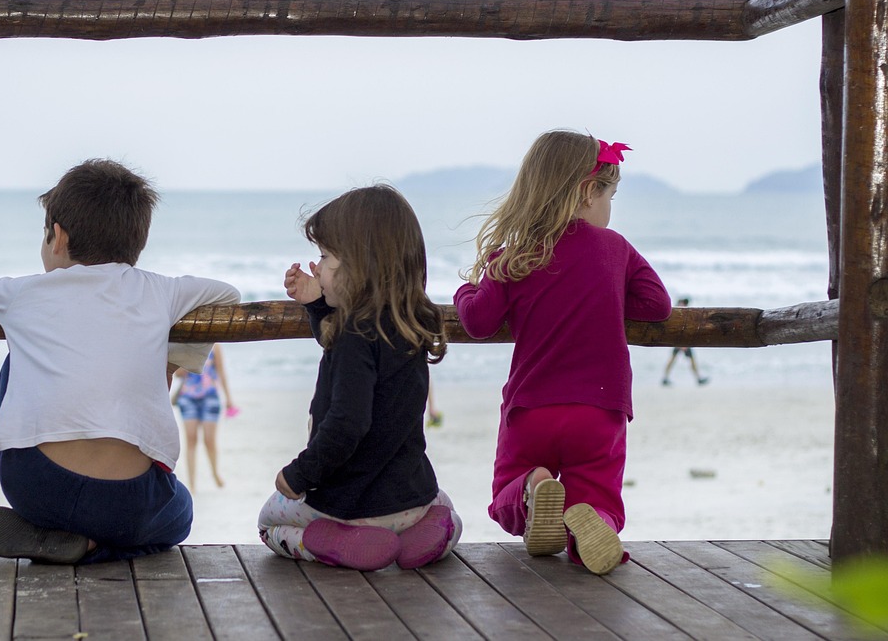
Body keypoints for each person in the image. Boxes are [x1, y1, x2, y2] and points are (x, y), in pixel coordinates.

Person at [0, 159, 241, 564]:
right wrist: (168, 365)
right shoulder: (162, 292)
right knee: (180, 514)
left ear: (57, 237)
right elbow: (227, 295)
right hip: (129, 503)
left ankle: (66, 538)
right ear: (137, 242)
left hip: (38, 487)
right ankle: (98, 549)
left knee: (17, 361)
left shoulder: (20, 293)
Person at [455, 131, 671, 575]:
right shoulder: (616, 249)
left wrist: (466, 289)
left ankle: (533, 489)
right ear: (588, 191)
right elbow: (657, 305)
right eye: (610, 195)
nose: (610, 207)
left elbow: (477, 321)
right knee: (599, 496)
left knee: (504, 494)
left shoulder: (513, 257)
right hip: (600, 410)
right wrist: (606, 296)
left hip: (532, 409)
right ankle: (593, 526)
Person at [258, 185, 462, 572]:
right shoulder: (410, 323)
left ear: (359, 267)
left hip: (344, 506)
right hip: (411, 501)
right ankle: (426, 536)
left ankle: (330, 540)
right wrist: (318, 302)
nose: (316, 267)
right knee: (445, 506)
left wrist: (300, 474)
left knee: (269, 522)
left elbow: (347, 423)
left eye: (325, 257)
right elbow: (336, 340)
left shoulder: (354, 335)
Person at [171, 344, 235, 491]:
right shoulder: (185, 345)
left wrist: (228, 398)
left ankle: (215, 472)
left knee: (209, 440)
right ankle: (192, 484)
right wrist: (189, 357)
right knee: (191, 440)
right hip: (188, 397)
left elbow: (221, 372)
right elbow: (178, 374)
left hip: (210, 396)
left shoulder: (215, 346)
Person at [663, 298, 709, 385]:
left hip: (681, 342)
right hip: (682, 342)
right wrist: (683, 345)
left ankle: (665, 378)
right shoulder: (679, 312)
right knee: (687, 360)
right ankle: (698, 378)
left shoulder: (678, 312)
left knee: (675, 360)